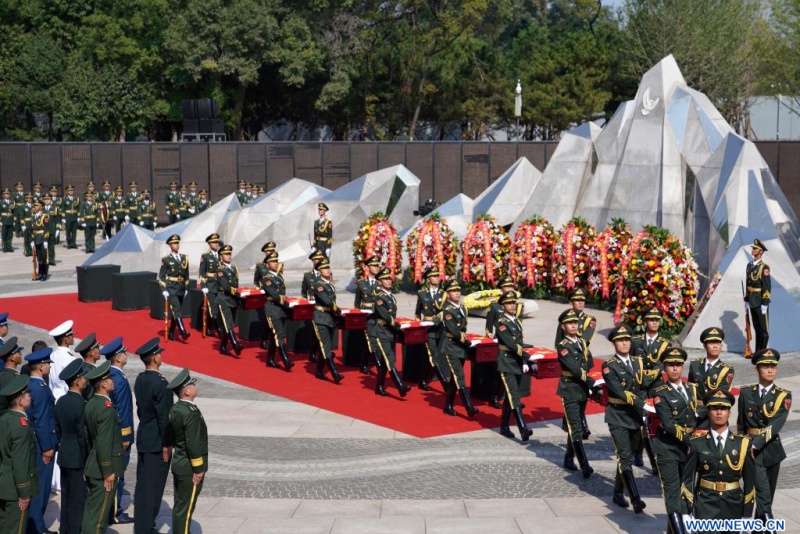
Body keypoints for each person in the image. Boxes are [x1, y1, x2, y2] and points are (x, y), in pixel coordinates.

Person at [602, 325, 659, 514]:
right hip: (618, 415)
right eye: (620, 340)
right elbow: (619, 391)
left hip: (635, 416)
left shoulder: (638, 362)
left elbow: (643, 385)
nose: (625, 343)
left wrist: (651, 401)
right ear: (614, 343)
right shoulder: (609, 366)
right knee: (624, 456)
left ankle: (617, 492)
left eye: (627, 339)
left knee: (628, 455)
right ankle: (635, 499)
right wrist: (642, 404)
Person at [684, 389, 757, 523]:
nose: (719, 412)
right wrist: (686, 513)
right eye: (714, 408)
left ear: (729, 413)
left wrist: (747, 514)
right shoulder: (697, 443)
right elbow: (688, 479)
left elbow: (750, 480)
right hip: (706, 504)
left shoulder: (743, 443)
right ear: (707, 412)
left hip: (733, 504)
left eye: (723, 409)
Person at [737, 348, 791, 527]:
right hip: (751, 451)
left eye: (773, 367)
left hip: (771, 450)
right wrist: (742, 445)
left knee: (767, 495)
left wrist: (756, 443)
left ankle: (760, 528)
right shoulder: (746, 393)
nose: (770, 370)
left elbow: (775, 425)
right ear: (757, 369)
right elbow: (741, 423)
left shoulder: (783, 396)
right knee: (752, 492)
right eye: (765, 366)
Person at [651, 347, 700, 534]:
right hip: (669, 448)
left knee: (687, 491)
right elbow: (668, 424)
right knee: (672, 493)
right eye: (671, 365)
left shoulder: (691, 389)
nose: (675, 368)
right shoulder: (660, 393)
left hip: (688, 448)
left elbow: (698, 412)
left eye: (678, 365)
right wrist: (690, 440)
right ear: (664, 367)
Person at [133, 338, 174, 534]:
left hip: (144, 435)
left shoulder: (141, 379)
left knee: (143, 484)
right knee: (153, 486)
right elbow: (164, 417)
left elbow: (142, 410)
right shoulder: (161, 384)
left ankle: (143, 525)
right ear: (155, 358)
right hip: (157, 441)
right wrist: (168, 443)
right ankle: (146, 527)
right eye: (159, 353)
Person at [82, 361, 124, 534]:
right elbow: (103, 441)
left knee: (91, 512)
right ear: (103, 384)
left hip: (93, 464)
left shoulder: (91, 403)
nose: (112, 381)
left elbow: (89, 439)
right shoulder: (106, 409)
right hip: (103, 470)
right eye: (109, 378)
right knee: (98, 519)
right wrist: (108, 471)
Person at [167, 368, 208, 534]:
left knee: (180, 506)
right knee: (185, 509)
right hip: (189, 467)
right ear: (187, 390)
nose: (195, 387)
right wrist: (198, 468)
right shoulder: (190, 413)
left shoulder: (177, 408)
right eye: (192, 384)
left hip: (180, 463)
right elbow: (193, 443)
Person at [556, 309, 595, 477]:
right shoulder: (563, 346)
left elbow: (590, 361)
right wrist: (590, 380)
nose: (573, 325)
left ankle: (568, 457)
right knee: (576, 427)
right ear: (564, 326)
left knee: (575, 425)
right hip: (570, 389)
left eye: (575, 323)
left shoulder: (582, 343)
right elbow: (573, 368)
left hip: (581, 389)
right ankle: (584, 464)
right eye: (570, 323)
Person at [101, 337, 135, 525]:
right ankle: (114, 512)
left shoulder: (113, 375)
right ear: (117, 357)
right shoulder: (119, 380)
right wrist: (126, 435)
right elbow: (122, 410)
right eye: (123, 352)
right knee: (118, 473)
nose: (126, 354)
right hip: (120, 436)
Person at [24, 346, 58, 534]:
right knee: (41, 488)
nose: (49, 368)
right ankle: (37, 528)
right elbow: (42, 421)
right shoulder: (41, 389)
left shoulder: (31, 385)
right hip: (41, 446)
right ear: (41, 367)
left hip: (35, 444)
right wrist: (47, 447)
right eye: (47, 364)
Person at [54, 358, 88, 534]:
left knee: (67, 498)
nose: (85, 380)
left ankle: (65, 529)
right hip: (77, 458)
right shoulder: (81, 405)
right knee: (77, 500)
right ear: (77, 380)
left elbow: (58, 429)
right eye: (83, 377)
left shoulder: (61, 402)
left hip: (65, 454)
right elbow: (83, 436)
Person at [0, 376, 38, 534]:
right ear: (21, 401)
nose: (30, 396)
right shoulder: (21, 425)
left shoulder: (5, 419)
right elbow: (20, 462)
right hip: (15, 489)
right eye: (28, 395)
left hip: (4, 484)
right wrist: (24, 492)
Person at [630, 306, 667, 470]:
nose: (654, 323)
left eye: (657, 320)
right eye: (651, 320)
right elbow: (631, 361)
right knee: (639, 421)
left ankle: (654, 460)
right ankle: (637, 452)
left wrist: (645, 378)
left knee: (655, 424)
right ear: (645, 322)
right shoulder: (636, 341)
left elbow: (661, 365)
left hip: (656, 387)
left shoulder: (665, 343)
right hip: (639, 387)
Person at [494, 291, 533, 442]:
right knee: (514, 395)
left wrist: (523, 361)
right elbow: (511, 344)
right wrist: (525, 356)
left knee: (510, 396)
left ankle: (504, 426)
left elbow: (520, 342)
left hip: (516, 361)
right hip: (506, 362)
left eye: (513, 303)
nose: (512, 305)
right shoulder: (501, 322)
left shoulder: (515, 320)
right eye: (509, 303)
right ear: (503, 305)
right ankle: (523, 428)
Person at [439, 279, 479, 418]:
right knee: (459, 377)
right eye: (454, 291)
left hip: (460, 347)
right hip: (451, 346)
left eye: (458, 290)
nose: (457, 293)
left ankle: (448, 405)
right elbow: (453, 330)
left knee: (455, 379)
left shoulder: (462, 307)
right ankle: (469, 408)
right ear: (448, 294)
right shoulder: (447, 310)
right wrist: (466, 341)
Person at [371, 267, 410, 397]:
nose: (389, 281)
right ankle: (400, 386)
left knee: (383, 362)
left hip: (389, 332)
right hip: (382, 331)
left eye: (389, 278)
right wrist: (397, 325)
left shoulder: (390, 296)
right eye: (385, 279)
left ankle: (379, 387)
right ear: (379, 282)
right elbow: (385, 316)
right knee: (389, 359)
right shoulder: (379, 297)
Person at [486, 277, 522, 408]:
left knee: (514, 371)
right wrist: (490, 338)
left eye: (511, 287)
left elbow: (518, 325)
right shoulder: (496, 306)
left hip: (515, 342)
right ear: (501, 289)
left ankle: (512, 397)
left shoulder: (518, 306)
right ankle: (494, 396)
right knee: (500, 373)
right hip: (501, 342)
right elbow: (489, 326)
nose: (510, 289)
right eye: (507, 287)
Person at [688, 327, 733, 429]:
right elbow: (690, 390)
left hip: (714, 416)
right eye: (711, 343)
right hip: (694, 414)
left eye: (717, 343)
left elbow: (719, 395)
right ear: (704, 345)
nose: (715, 346)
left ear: (721, 346)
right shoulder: (695, 365)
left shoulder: (726, 370)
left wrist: (697, 413)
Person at [257, 252, 294, 371]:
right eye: (273, 262)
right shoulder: (266, 278)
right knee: (279, 334)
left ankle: (270, 359)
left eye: (276, 261)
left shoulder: (278, 276)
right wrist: (288, 303)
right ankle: (286, 360)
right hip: (272, 308)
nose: (275, 263)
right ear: (267, 264)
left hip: (281, 309)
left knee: (275, 336)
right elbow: (274, 295)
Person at [413, 267, 448, 391]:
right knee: (433, 354)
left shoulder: (443, 294)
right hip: (428, 328)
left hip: (440, 328)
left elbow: (445, 311)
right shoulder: (422, 293)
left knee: (436, 355)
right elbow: (417, 312)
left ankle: (423, 379)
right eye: (434, 276)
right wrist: (418, 326)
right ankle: (445, 384)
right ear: (428, 279)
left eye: (438, 276)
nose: (437, 278)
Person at [311, 259, 344, 383]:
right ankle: (335, 373)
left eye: (328, 268)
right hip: (321, 318)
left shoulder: (329, 284)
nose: (328, 270)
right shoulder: (318, 284)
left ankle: (319, 371)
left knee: (325, 346)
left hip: (329, 317)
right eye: (324, 268)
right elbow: (327, 301)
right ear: (319, 270)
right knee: (326, 346)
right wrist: (337, 309)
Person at [159, 234, 192, 341]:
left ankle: (172, 332)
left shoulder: (184, 258)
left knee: (175, 312)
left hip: (181, 288)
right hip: (171, 288)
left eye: (177, 243)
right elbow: (162, 277)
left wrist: (186, 287)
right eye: (174, 243)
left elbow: (186, 274)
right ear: (170, 245)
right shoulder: (166, 260)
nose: (176, 245)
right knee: (177, 310)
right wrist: (164, 290)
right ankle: (183, 331)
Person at [215, 244, 244, 357]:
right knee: (228, 323)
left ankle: (223, 346)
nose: (228, 256)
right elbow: (226, 286)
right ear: (221, 256)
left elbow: (235, 284)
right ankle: (235, 344)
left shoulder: (233, 268)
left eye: (229, 254)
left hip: (232, 300)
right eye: (226, 254)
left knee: (229, 324)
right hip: (224, 299)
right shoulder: (220, 270)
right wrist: (238, 292)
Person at [354, 256, 381, 375]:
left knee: (372, 341)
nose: (376, 268)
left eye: (377, 265)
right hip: (366, 316)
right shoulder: (361, 283)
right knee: (371, 340)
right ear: (367, 268)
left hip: (378, 315)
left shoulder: (381, 283)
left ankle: (364, 363)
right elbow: (357, 302)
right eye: (374, 266)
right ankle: (375, 365)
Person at [745, 239, 771, 351]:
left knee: (763, 330)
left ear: (760, 252)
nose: (753, 250)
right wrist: (746, 299)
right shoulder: (749, 265)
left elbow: (766, 286)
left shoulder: (764, 267)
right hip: (752, 300)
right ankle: (757, 352)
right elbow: (748, 283)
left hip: (760, 300)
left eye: (755, 249)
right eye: (753, 248)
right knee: (756, 327)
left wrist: (765, 303)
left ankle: (762, 353)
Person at [199, 233, 222, 337]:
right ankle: (220, 330)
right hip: (211, 286)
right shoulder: (206, 256)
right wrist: (204, 286)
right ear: (209, 244)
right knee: (213, 307)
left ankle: (208, 327)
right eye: (214, 242)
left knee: (218, 307)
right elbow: (202, 273)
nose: (216, 244)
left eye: (217, 242)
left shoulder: (222, 255)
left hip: (220, 286)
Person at [0, 337, 23, 417]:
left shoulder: (3, 374)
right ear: (12, 358)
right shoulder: (13, 379)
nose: (21, 354)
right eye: (18, 352)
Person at [75, 332, 101, 400]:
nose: (99, 350)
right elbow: (91, 397)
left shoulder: (82, 368)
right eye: (97, 347)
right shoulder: (91, 372)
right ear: (92, 353)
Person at [31, 199, 51, 281]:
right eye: (34, 205)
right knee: (39, 257)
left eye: (37, 206)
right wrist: (32, 240)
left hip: (42, 238)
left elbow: (47, 228)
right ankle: (40, 273)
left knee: (44, 257)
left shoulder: (44, 216)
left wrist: (46, 240)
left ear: (41, 207)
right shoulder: (34, 215)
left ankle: (44, 274)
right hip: (36, 238)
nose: (35, 207)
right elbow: (32, 229)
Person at [41, 195, 59, 266]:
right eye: (45, 199)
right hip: (44, 230)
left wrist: (57, 229)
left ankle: (51, 260)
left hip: (52, 230)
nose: (47, 201)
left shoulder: (54, 208)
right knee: (43, 246)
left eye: (48, 199)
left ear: (51, 200)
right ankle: (45, 260)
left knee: (51, 246)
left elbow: (57, 219)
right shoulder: (41, 209)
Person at [0, 188, 15, 253]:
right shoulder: (1, 202)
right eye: (6, 194)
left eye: (8, 194)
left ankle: (9, 247)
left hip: (10, 220)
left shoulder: (12, 202)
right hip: (4, 220)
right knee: (4, 234)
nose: (7, 195)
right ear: (3, 195)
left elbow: (14, 212)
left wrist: (14, 220)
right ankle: (5, 247)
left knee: (10, 234)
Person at [19, 193, 34, 257]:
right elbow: (21, 216)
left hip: (33, 224)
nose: (29, 199)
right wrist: (22, 225)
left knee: (32, 238)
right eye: (28, 198)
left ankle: (32, 251)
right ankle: (27, 251)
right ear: (26, 199)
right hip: (26, 223)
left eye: (30, 198)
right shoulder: (23, 206)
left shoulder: (34, 206)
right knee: (26, 239)